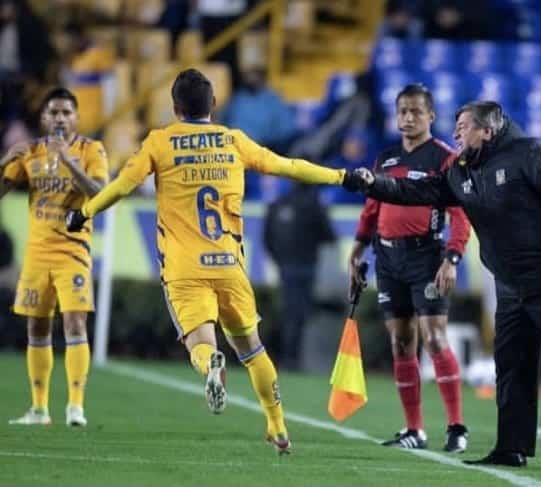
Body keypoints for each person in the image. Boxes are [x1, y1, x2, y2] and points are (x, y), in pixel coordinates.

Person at [65, 69, 347, 454]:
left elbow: (123, 186)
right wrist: (339, 176)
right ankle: (278, 427)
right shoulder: (233, 140)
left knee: (200, 343)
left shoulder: (160, 142)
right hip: (229, 264)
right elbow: (288, 166)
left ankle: (210, 364)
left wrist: (84, 212)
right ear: (213, 104)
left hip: (184, 267)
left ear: (175, 107)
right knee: (252, 349)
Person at [343, 101, 541, 469]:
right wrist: (375, 184)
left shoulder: (529, 153)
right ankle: (512, 447)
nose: (457, 133)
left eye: (464, 126)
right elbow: (420, 192)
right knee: (511, 363)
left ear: (488, 131)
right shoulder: (461, 170)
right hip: (510, 284)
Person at [348, 84, 471, 453]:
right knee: (402, 343)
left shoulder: (445, 159)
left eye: (416, 111)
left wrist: (452, 258)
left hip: (427, 258)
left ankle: (456, 427)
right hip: (388, 259)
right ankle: (414, 430)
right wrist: (358, 248)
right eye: (402, 111)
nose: (408, 118)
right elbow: (372, 208)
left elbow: (460, 215)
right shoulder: (385, 160)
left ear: (431, 116)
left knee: (434, 338)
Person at [1, 87, 109, 427]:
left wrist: (69, 163)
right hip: (37, 253)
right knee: (37, 326)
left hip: (73, 250)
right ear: (43, 118)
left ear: (76, 117)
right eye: (53, 112)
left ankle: (75, 406)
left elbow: (100, 193)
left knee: (75, 322)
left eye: (66, 112)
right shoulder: (30, 152)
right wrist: (5, 160)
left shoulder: (92, 150)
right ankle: (39, 409)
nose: (60, 118)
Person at [263, 183, 336, 370]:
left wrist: (280, 261)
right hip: (306, 267)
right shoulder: (314, 205)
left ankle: (287, 357)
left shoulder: (278, 203)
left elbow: (267, 239)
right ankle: (293, 359)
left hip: (286, 267)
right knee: (301, 314)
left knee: (289, 313)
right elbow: (329, 236)